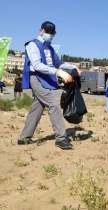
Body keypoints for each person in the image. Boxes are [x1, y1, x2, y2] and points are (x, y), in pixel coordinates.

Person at [18, 21, 79, 149]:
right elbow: (37, 65)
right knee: (53, 104)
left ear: (54, 33)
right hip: (36, 77)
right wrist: (57, 72)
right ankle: (61, 138)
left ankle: (24, 137)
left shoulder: (50, 48)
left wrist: (73, 67)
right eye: (47, 31)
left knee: (37, 107)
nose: (49, 34)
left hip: (45, 78)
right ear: (41, 31)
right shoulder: (33, 44)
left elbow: (58, 62)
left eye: (52, 32)